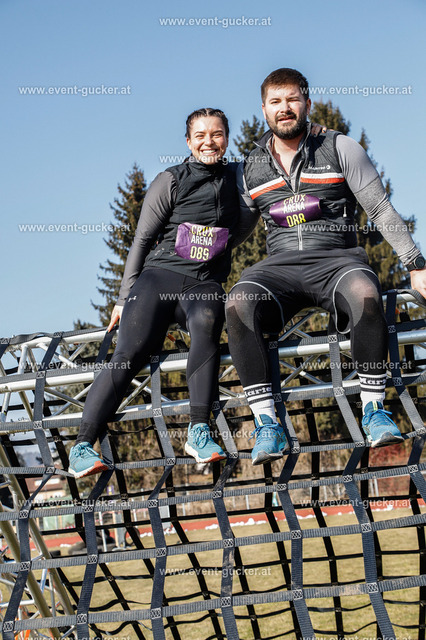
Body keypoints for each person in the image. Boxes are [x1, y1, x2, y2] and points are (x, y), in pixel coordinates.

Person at [225, 68, 426, 465]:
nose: (285, 108)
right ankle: (267, 425)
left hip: (337, 262)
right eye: (276, 102)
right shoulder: (249, 167)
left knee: (365, 294)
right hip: (279, 268)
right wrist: (183, 270)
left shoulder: (340, 147)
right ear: (264, 109)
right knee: (238, 302)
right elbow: (236, 232)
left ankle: (374, 411)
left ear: (307, 103)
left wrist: (416, 264)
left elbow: (379, 208)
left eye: (292, 99)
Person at [68, 108, 258, 478]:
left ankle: (199, 433)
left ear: (226, 137)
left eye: (216, 134)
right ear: (188, 141)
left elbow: (245, 222)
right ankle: (82, 446)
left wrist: (221, 249)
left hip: (203, 284)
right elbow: (142, 239)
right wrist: (122, 298)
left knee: (208, 321)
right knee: (129, 353)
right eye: (200, 135)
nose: (208, 142)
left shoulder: (237, 177)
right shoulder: (170, 179)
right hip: (158, 279)